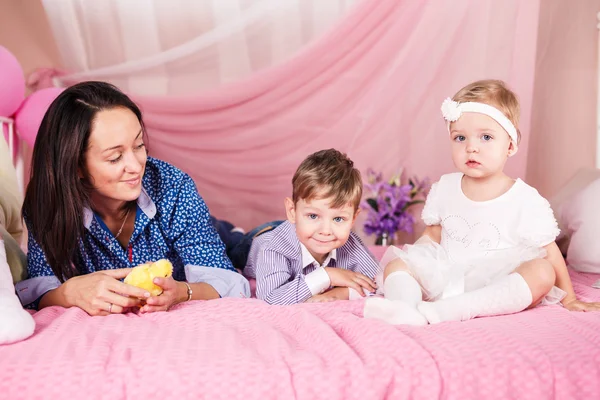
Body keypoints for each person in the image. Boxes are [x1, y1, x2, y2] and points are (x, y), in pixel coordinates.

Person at [364, 79, 600, 326]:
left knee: (542, 271)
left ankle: (451, 310)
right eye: (460, 138)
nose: (471, 148)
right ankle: (404, 308)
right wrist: (419, 265)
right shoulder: (445, 187)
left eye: (486, 137)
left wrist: (570, 298)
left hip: (497, 283)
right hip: (447, 274)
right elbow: (432, 236)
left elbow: (550, 251)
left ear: (509, 145)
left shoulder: (525, 198)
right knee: (398, 263)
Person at [17, 81, 249, 316]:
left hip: (216, 233)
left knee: (246, 246)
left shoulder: (174, 186)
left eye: (138, 145)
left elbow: (228, 280)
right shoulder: (46, 205)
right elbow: (38, 286)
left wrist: (181, 291)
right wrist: (69, 293)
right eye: (115, 157)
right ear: (75, 165)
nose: (136, 166)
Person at [243, 149, 379, 305]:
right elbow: (271, 299)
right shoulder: (273, 247)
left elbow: (379, 282)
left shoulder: (350, 244)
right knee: (230, 243)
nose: (326, 231)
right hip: (256, 238)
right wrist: (327, 275)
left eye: (338, 219)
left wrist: (342, 293)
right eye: (313, 216)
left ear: (353, 218)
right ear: (292, 211)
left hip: (298, 228)